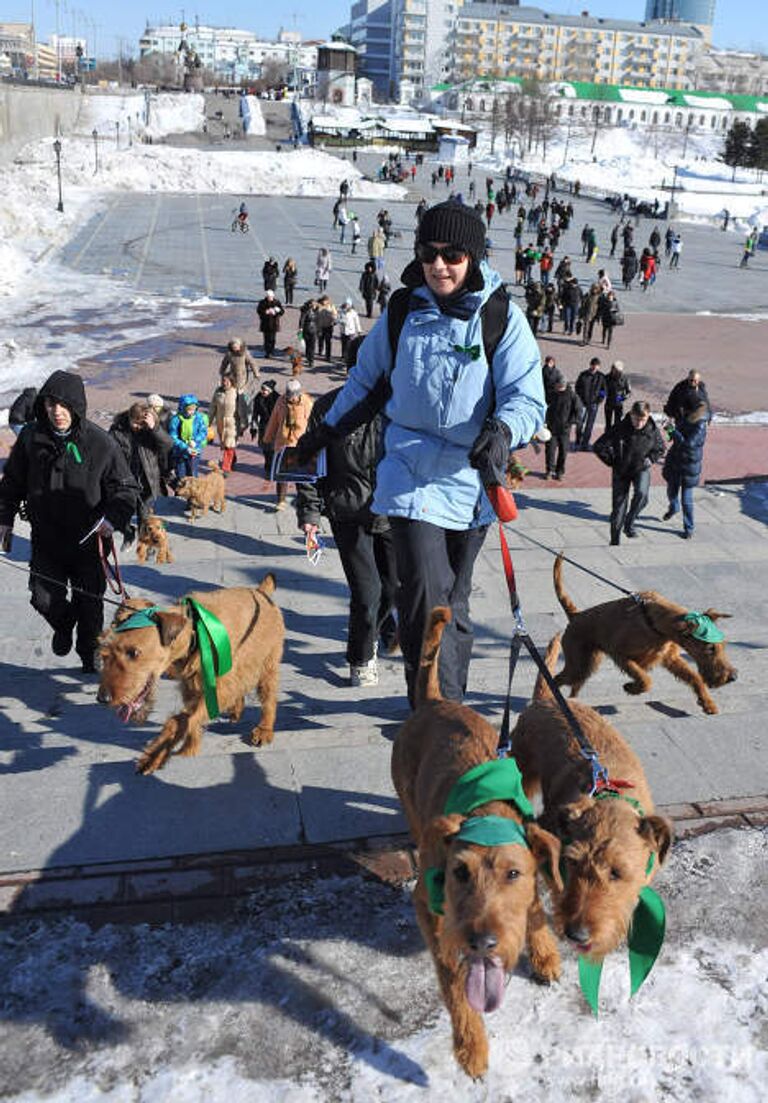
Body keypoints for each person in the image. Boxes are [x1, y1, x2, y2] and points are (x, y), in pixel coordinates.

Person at [296, 201, 544, 706]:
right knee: (427, 595)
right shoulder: (402, 310)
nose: (440, 265)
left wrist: (501, 431)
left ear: (472, 257)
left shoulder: (500, 317)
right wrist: (319, 434)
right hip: (408, 473)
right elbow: (365, 383)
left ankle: (444, 702)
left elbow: (527, 397)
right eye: (429, 254)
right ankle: (437, 715)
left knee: (454, 602)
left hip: (470, 475)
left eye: (453, 255)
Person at [0, 370, 138, 673]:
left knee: (91, 606)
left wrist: (112, 520)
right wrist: (5, 519)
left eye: (64, 405)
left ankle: (89, 655)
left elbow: (126, 488)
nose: (57, 412)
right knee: (42, 598)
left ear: (76, 406)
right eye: (51, 404)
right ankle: (64, 624)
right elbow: (11, 483)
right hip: (47, 539)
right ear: (43, 406)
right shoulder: (31, 438)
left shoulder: (100, 442)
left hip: (89, 541)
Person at [296, 337, 398, 688]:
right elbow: (309, 466)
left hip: (392, 512)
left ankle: (381, 626)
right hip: (348, 512)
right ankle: (361, 657)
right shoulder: (328, 408)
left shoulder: (398, 405)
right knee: (367, 592)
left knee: (395, 587)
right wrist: (310, 517)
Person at [593, 400, 665, 546]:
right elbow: (599, 446)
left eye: (642, 419)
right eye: (636, 419)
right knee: (619, 508)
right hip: (621, 470)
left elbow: (660, 448)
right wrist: (612, 461)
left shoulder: (652, 429)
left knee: (642, 495)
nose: (639, 423)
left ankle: (630, 522)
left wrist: (651, 459)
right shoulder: (620, 427)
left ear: (648, 416)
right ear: (631, 414)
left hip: (641, 469)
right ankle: (615, 541)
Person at [109, 401, 173, 521]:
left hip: (148, 482)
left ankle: (142, 537)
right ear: (129, 417)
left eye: (141, 424)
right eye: (135, 423)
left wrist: (155, 429)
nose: (138, 426)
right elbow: (109, 452)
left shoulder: (151, 429)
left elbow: (167, 445)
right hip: (127, 480)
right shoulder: (118, 430)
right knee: (125, 518)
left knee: (146, 518)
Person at [262, 377, 314, 510]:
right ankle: (281, 500)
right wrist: (267, 438)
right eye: (288, 395)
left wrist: (315, 441)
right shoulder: (280, 401)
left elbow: (313, 422)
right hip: (283, 442)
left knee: (301, 475)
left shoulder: (307, 402)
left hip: (300, 443)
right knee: (282, 474)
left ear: (298, 394)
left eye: (293, 396)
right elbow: (274, 420)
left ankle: (303, 499)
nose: (290, 398)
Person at [662, 401, 710, 540]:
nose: (683, 409)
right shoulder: (685, 418)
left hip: (689, 466)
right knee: (671, 491)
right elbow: (676, 438)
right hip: (676, 461)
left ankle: (689, 528)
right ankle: (673, 507)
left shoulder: (700, 425)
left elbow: (687, 444)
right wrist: (670, 431)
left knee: (686, 499)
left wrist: (672, 430)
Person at [544, 371, 583, 481]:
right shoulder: (551, 394)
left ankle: (559, 472)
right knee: (550, 451)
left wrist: (571, 422)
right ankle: (549, 470)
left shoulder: (572, 396)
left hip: (564, 430)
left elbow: (579, 411)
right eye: (556, 386)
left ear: (563, 385)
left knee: (563, 451)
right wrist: (545, 422)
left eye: (558, 386)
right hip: (551, 428)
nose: (557, 388)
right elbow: (545, 408)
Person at [168, 394, 208, 480]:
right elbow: (173, 437)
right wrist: (185, 447)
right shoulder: (176, 420)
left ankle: (193, 493)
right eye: (189, 409)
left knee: (193, 476)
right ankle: (181, 493)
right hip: (180, 453)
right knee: (181, 477)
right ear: (183, 408)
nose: (192, 412)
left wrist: (195, 441)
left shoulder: (198, 418)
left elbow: (203, 432)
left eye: (194, 409)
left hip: (194, 451)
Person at [209, 374, 239, 473]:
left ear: (232, 382)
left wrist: (244, 424)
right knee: (226, 444)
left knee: (228, 445)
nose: (224, 383)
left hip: (232, 424)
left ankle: (226, 468)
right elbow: (213, 407)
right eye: (223, 381)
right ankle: (232, 460)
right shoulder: (218, 392)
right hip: (221, 423)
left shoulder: (236, 392)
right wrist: (208, 422)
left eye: (226, 381)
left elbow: (243, 409)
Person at [575, 356, 606, 450]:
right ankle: (578, 440)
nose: (594, 368)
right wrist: (580, 399)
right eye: (593, 365)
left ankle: (585, 444)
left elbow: (603, 390)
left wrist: (599, 401)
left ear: (599, 367)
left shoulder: (601, 377)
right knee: (579, 423)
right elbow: (577, 387)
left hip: (593, 404)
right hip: (583, 403)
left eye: (597, 366)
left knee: (589, 425)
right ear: (590, 365)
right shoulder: (583, 375)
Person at [249, 379, 278, 477]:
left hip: (275, 426)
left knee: (273, 450)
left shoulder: (277, 399)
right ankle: (268, 468)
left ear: (270, 391)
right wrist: (253, 428)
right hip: (263, 426)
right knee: (265, 450)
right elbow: (255, 414)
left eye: (264, 390)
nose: (262, 391)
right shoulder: (258, 398)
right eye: (262, 389)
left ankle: (272, 470)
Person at [256, 289, 285, 359]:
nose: (270, 298)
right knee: (266, 338)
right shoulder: (262, 302)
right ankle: (267, 352)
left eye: (271, 296)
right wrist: (265, 312)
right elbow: (259, 311)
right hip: (265, 323)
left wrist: (277, 311)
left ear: (273, 296)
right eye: (269, 296)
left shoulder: (277, 302)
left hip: (274, 323)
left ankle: (271, 351)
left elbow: (282, 312)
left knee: (272, 338)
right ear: (266, 296)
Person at [604, 360, 632, 430]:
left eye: (618, 371)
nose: (616, 373)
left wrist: (622, 398)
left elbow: (629, 392)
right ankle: (607, 437)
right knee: (608, 424)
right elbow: (601, 389)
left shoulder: (625, 379)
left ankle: (615, 438)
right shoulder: (606, 378)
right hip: (609, 403)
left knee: (618, 423)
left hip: (619, 405)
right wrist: (603, 395)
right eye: (615, 370)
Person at [337, 297, 362, 364]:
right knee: (343, 344)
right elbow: (338, 319)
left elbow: (357, 322)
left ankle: (347, 357)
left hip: (351, 331)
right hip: (343, 331)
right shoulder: (341, 311)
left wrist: (359, 330)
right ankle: (343, 356)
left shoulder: (353, 312)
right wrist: (340, 321)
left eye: (348, 304)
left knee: (349, 345)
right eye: (346, 304)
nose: (347, 306)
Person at [315, 294, 338, 361]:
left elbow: (335, 314)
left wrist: (334, 319)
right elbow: (316, 314)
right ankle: (320, 350)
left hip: (329, 326)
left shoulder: (331, 306)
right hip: (320, 326)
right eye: (324, 301)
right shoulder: (318, 306)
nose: (325, 302)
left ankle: (328, 356)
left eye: (326, 301)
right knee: (320, 339)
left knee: (328, 342)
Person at [299, 298, 318, 369]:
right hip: (307, 330)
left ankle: (311, 360)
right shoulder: (305, 311)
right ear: (310, 305)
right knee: (307, 345)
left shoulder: (316, 311)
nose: (315, 305)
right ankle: (308, 357)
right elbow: (302, 320)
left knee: (312, 346)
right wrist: (300, 329)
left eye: (315, 304)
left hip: (314, 330)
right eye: (313, 304)